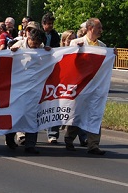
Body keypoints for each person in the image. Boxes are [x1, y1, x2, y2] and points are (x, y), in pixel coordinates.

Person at [64, 18, 108, 155]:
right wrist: (75, 51)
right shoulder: (76, 43)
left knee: (96, 113)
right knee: (77, 113)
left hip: (96, 86)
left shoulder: (103, 46)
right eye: (98, 27)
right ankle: (69, 138)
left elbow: (106, 66)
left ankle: (93, 144)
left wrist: (113, 55)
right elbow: (69, 61)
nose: (101, 30)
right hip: (80, 86)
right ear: (90, 28)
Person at [7, 23, 50, 154]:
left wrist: (50, 52)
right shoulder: (17, 45)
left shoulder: (42, 49)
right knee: (16, 114)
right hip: (17, 88)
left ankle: (31, 145)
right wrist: (11, 52)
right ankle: (10, 138)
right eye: (34, 43)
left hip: (34, 89)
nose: (36, 46)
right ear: (28, 38)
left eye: (39, 44)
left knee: (33, 116)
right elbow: (3, 59)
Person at [41, 12, 61, 144]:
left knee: (53, 100)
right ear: (43, 24)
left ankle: (52, 134)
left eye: (52, 24)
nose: (51, 26)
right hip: (39, 71)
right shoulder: (38, 33)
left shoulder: (55, 35)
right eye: (48, 24)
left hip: (52, 71)